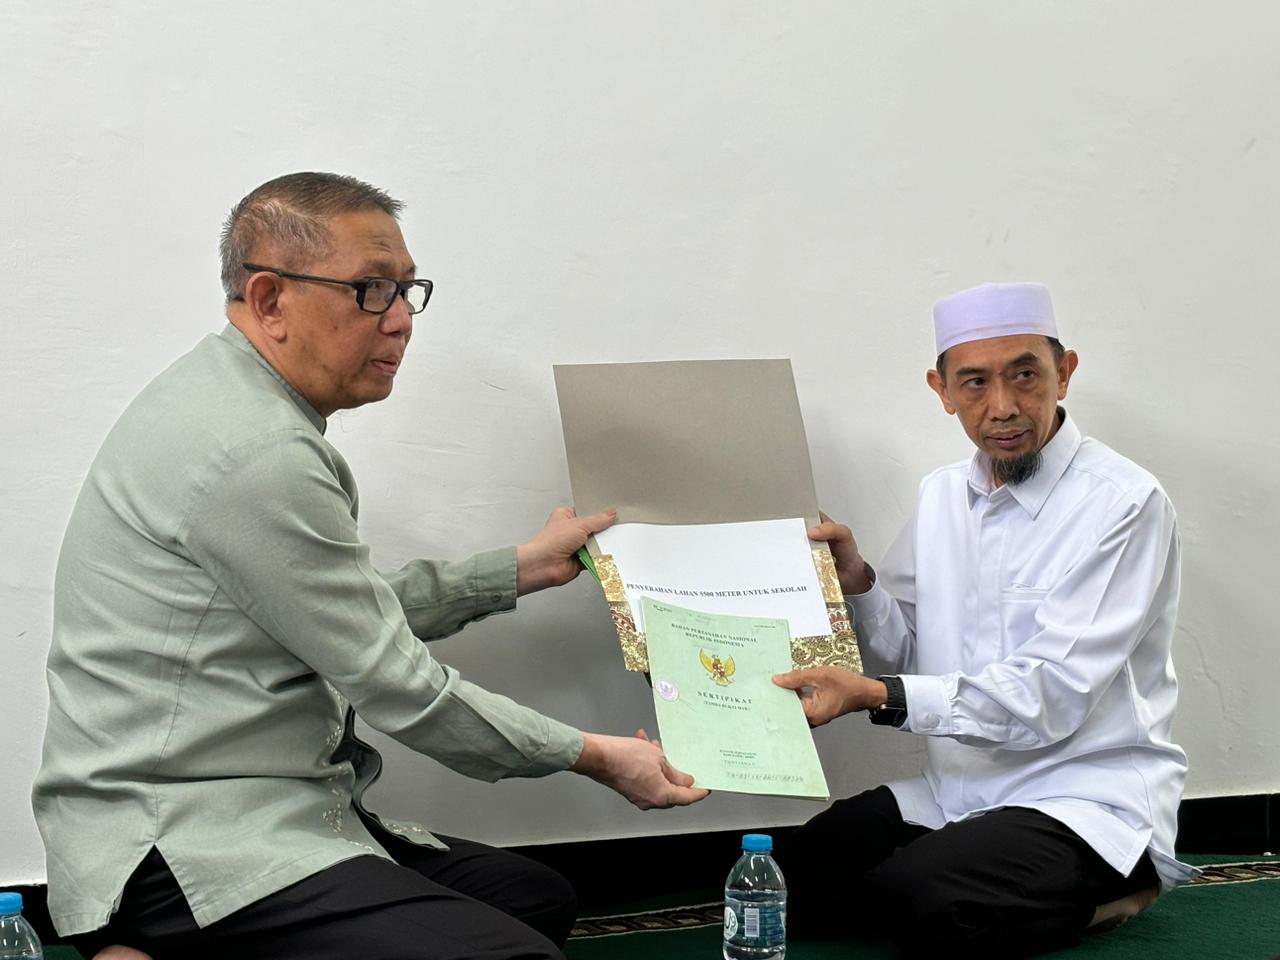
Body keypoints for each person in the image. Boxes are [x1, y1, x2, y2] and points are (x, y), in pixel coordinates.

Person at [32, 172, 707, 960]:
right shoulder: (257, 453)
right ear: (270, 299)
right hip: (178, 839)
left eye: (406, 289)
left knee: (535, 899)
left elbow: (336, 610)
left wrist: (516, 571)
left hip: (272, 806)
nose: (400, 321)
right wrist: (594, 756)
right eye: (371, 290)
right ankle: (143, 940)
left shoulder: (226, 402)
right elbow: (398, 684)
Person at [771, 282, 1192, 959]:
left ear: (1064, 373)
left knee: (921, 901)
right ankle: (968, 884)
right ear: (942, 390)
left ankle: (1117, 888)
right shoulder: (942, 494)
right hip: (958, 793)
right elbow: (909, 651)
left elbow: (1051, 694)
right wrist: (860, 584)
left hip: (1083, 800)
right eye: (974, 382)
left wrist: (876, 696)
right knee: (786, 884)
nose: (1003, 407)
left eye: (1025, 375)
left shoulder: (1123, 503)